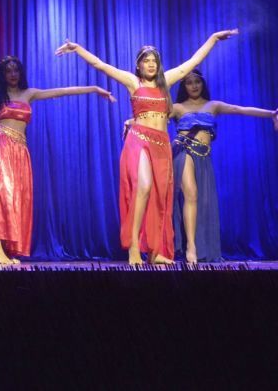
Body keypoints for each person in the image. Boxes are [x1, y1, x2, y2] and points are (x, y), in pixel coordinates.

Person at [55, 29, 238, 264]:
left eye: (154, 61)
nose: (151, 65)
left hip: (161, 144)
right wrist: (78, 49)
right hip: (139, 139)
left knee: (161, 197)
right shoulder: (134, 82)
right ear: (139, 65)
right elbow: (101, 65)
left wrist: (212, 39)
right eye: (146, 61)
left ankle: (155, 251)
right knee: (144, 186)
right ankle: (133, 247)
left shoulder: (167, 82)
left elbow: (192, 62)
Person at [0, 56, 116, 264]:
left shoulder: (30, 93)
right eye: (8, 71)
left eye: (16, 70)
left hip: (19, 150)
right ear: (2, 75)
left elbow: (63, 91)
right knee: (2, 192)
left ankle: (5, 244)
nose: (13, 74)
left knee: (17, 197)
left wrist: (94, 88)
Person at [171, 69, 278, 263]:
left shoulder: (213, 105)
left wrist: (272, 113)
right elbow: (153, 118)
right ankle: (191, 248)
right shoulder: (177, 107)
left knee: (202, 202)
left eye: (197, 82)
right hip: (182, 151)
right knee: (191, 194)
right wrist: (131, 122)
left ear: (202, 84)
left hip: (203, 157)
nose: (194, 86)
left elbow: (240, 109)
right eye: (189, 82)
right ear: (183, 86)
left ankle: (199, 245)